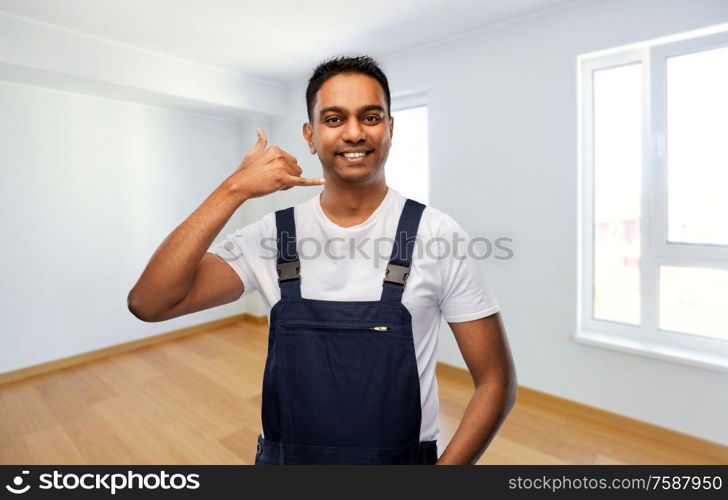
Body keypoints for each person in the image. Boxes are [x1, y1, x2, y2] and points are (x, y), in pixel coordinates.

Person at [128, 55, 517, 465]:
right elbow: (150, 303)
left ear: (390, 129)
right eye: (334, 119)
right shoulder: (271, 237)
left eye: (370, 117)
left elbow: (495, 382)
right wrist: (233, 189)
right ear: (310, 135)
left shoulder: (439, 236)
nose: (354, 133)